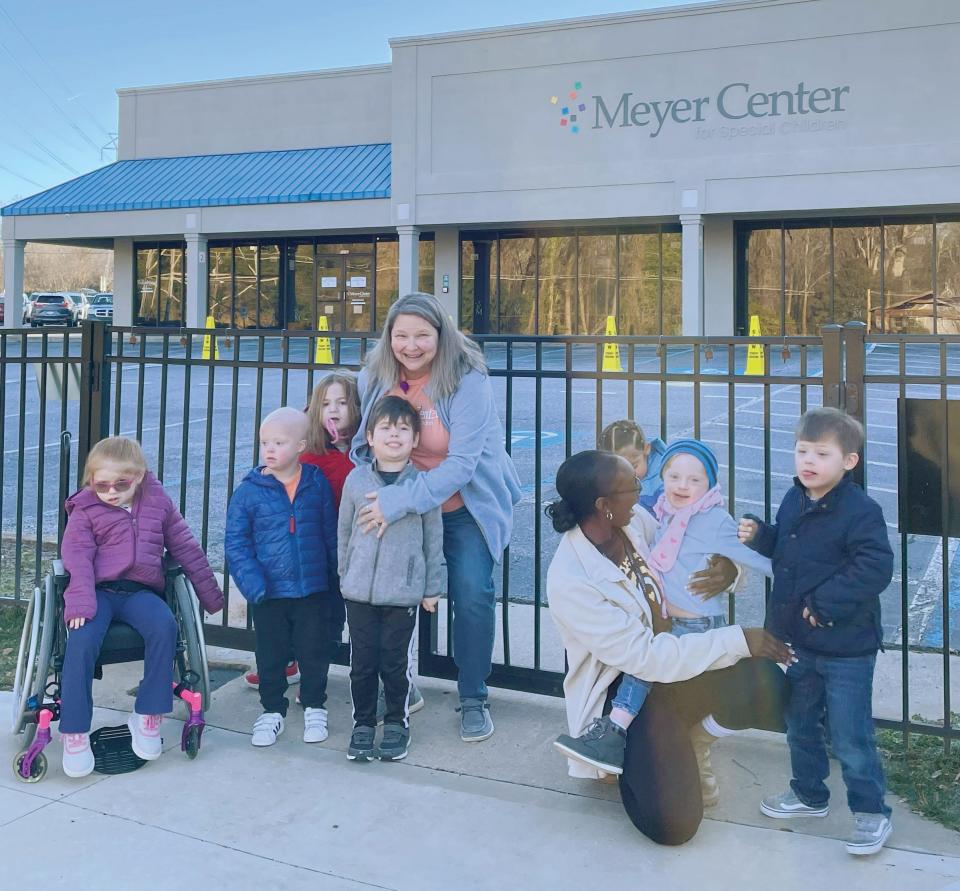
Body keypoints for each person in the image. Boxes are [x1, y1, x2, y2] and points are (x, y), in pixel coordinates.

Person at [547, 450, 794, 846]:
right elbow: (646, 657)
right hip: (630, 691)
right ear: (603, 505)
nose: (646, 494)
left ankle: (695, 741)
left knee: (769, 681)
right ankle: (627, 751)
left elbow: (688, 545)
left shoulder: (632, 523)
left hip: (676, 664)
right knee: (673, 825)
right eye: (633, 487)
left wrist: (731, 571)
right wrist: (736, 639)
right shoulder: (572, 579)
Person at [350, 292, 521, 743]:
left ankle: (472, 695)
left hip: (463, 506)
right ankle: (401, 687)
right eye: (401, 335)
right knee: (390, 593)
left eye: (422, 335)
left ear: (441, 336)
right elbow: (361, 442)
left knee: (471, 595)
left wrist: (398, 501)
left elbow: (462, 465)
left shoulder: (468, 380)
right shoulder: (374, 376)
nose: (411, 345)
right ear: (389, 338)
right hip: (401, 504)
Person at [738, 407, 894, 856]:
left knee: (850, 735)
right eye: (802, 451)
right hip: (797, 644)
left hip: (846, 650)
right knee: (800, 725)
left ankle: (871, 813)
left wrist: (824, 605)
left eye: (821, 453)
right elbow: (789, 550)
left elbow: (875, 567)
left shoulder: (860, 510)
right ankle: (809, 795)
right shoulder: (795, 499)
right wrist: (762, 535)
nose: (808, 461)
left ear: (849, 462)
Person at [59, 437, 224, 778]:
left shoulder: (157, 502)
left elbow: (186, 547)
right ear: (91, 480)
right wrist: (80, 603)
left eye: (121, 483)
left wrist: (210, 595)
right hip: (98, 591)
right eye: (101, 484)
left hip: (139, 591)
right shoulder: (85, 509)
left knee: (165, 625)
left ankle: (148, 714)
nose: (111, 491)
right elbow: (77, 558)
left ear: (140, 475)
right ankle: (74, 731)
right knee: (82, 637)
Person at [225, 407, 340, 748]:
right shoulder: (250, 490)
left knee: (314, 651)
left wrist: (336, 575)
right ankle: (272, 709)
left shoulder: (315, 483)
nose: (269, 449)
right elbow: (236, 542)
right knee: (271, 654)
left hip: (312, 588)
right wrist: (252, 583)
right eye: (264, 442)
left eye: (279, 442)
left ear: (302, 445)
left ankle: (315, 705)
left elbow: (329, 532)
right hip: (269, 592)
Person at [338, 396, 443, 762]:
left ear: (415, 439)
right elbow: (344, 533)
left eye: (403, 429)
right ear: (370, 436)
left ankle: (397, 721)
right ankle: (363, 723)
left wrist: (431, 588)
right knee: (362, 662)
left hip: (402, 594)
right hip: (359, 593)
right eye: (386, 428)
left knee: (395, 663)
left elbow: (434, 541)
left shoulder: (423, 486)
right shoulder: (355, 481)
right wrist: (345, 574)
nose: (394, 435)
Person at [241, 371, 360, 693]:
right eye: (325, 403)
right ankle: (290, 661)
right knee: (305, 611)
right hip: (311, 547)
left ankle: (321, 664)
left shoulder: (366, 450)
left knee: (337, 613)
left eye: (342, 402)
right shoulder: (309, 453)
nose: (333, 410)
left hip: (353, 545)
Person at [599, 419, 666, 514]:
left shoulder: (665, 477)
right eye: (619, 470)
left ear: (646, 449)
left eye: (634, 466)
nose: (629, 474)